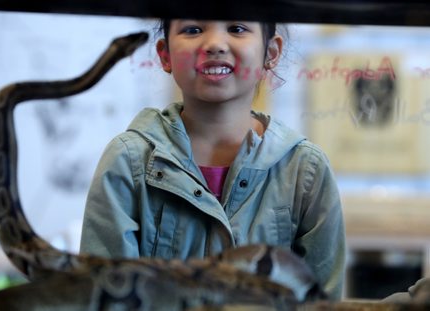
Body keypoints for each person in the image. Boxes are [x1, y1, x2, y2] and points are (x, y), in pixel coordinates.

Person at [80, 19, 346, 300]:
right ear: (165, 54)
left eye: (237, 28)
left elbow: (323, 303)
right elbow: (104, 299)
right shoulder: (128, 161)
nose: (215, 44)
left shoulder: (305, 169)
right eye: (193, 29)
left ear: (271, 52)